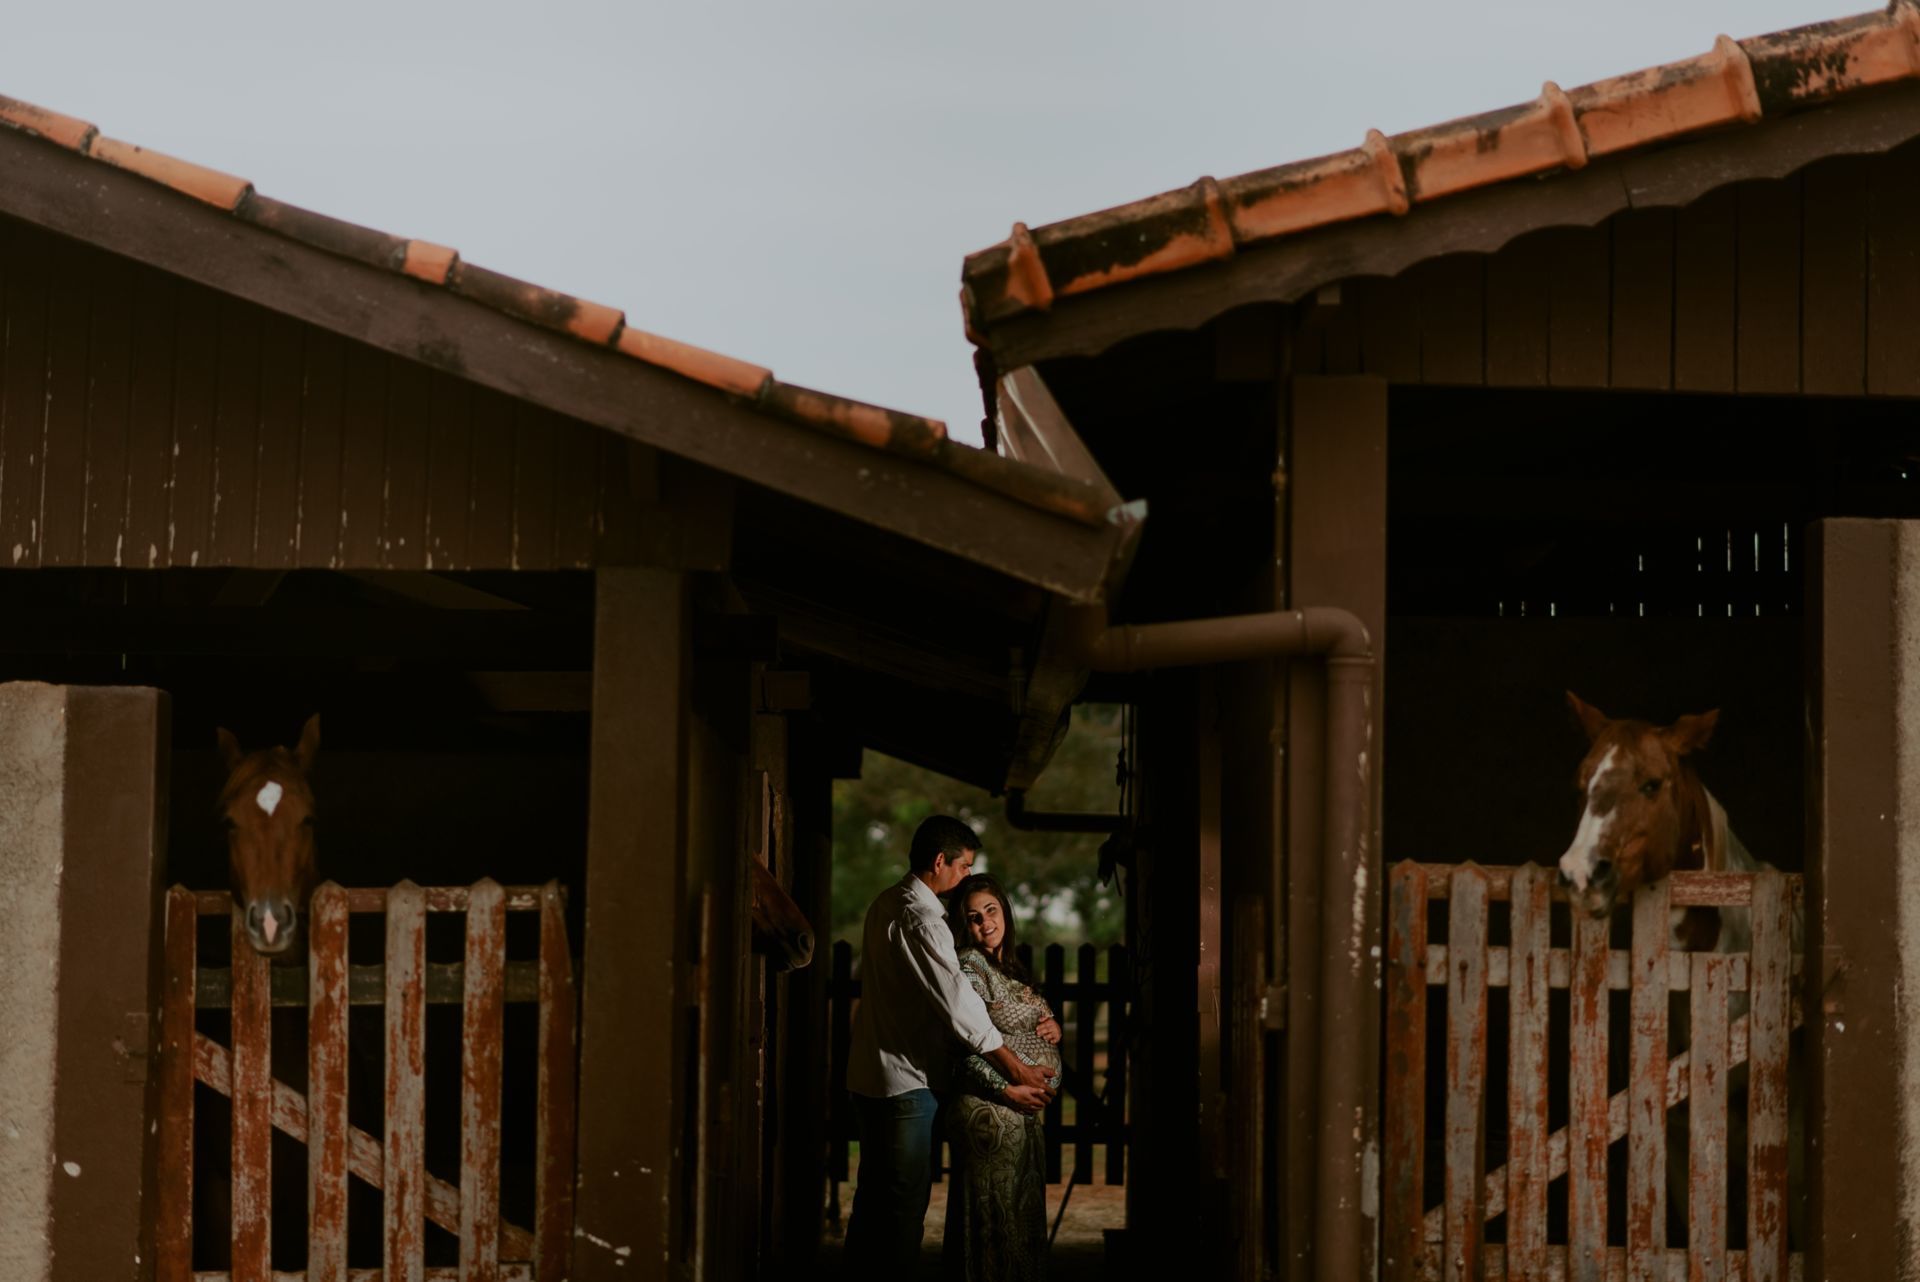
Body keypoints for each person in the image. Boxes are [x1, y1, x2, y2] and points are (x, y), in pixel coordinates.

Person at [845, 816, 1055, 1279]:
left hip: (873, 1076)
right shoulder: (920, 918)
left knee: (873, 1201)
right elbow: (959, 1007)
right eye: (964, 867)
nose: (965, 878)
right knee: (902, 1207)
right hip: (906, 1082)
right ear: (940, 862)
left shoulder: (887, 902)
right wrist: (1016, 1071)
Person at [942, 874, 1062, 1282]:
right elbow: (962, 1046)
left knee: (1018, 1220)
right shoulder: (969, 964)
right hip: (990, 1113)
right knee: (993, 1226)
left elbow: (1024, 1019)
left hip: (1019, 1114)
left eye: (991, 910)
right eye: (973, 917)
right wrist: (1006, 1088)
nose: (985, 923)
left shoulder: (1005, 966)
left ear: (1004, 911)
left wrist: (1051, 1027)